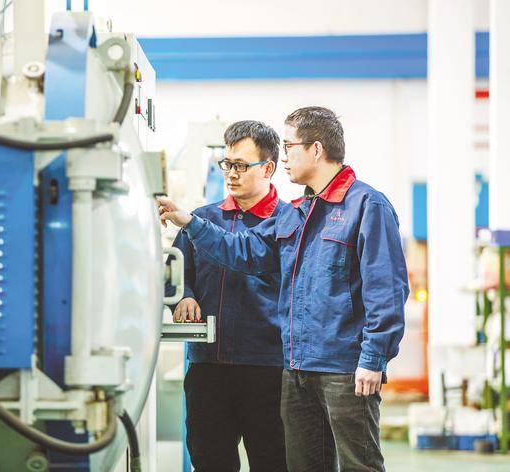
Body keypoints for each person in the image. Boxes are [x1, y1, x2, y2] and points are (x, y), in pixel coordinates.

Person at [159, 107, 409, 471]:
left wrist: (373, 359)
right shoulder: (297, 213)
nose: (285, 156)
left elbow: (386, 291)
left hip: (342, 369)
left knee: (357, 465)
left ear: (316, 150)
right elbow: (244, 250)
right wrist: (189, 221)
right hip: (296, 370)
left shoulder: (367, 206)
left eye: (290, 146)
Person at [170, 120, 287, 471]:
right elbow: (173, 273)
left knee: (273, 461)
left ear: (268, 168)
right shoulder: (202, 219)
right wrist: (183, 296)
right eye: (227, 164)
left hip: (269, 369)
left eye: (241, 165)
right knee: (210, 460)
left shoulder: (288, 223)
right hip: (208, 368)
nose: (231, 174)